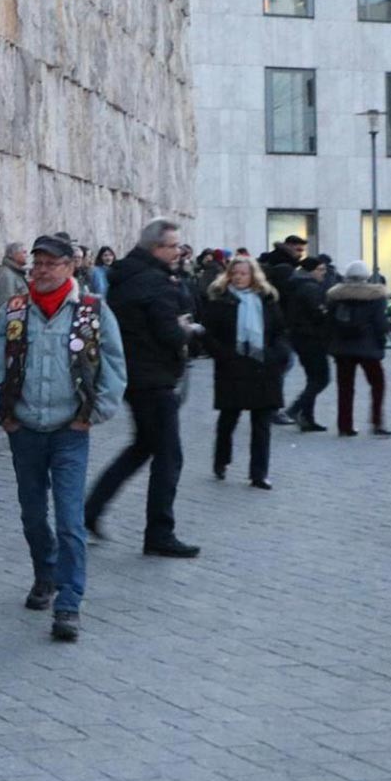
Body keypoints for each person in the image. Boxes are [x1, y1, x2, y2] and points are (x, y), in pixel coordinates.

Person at [0, 234, 127, 642]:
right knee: (32, 515)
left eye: (51, 264)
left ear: (69, 267)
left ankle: (68, 603)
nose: (42, 270)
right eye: (37, 264)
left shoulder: (91, 310)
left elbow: (114, 365)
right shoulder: (15, 311)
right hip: (25, 428)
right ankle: (44, 573)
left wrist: (94, 414)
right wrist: (1, 414)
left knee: (69, 519)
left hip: (69, 429)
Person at [83, 219, 200, 556]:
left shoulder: (125, 276)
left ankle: (90, 510)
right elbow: (169, 333)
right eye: (173, 245)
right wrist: (186, 330)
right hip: (155, 380)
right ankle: (159, 533)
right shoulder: (156, 283)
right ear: (156, 248)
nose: (178, 251)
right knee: (168, 457)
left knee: (143, 447)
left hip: (134, 377)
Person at [201, 255, 288, 491]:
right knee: (229, 418)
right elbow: (208, 335)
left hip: (263, 365)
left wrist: (276, 354)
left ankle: (259, 473)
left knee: (262, 422)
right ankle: (221, 460)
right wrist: (225, 356)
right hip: (233, 366)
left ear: (253, 276)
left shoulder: (267, 299)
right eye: (235, 274)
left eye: (244, 273)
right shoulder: (220, 300)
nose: (239, 278)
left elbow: (280, 331)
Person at [327, 260, 391, 437]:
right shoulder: (376, 296)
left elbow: (329, 322)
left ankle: (344, 425)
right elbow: (380, 324)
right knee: (378, 384)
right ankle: (377, 421)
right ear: (367, 276)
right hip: (368, 347)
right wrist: (381, 341)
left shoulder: (335, 295)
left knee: (345, 388)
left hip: (343, 348)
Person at [278, 257, 333, 432]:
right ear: (310, 271)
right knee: (321, 379)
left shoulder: (296, 284)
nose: (323, 274)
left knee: (313, 378)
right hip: (312, 338)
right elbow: (319, 314)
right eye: (320, 270)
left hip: (299, 338)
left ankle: (307, 418)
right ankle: (296, 409)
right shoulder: (310, 288)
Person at [0, 241, 30, 321]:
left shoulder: (17, 273)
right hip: (13, 324)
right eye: (24, 252)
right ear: (14, 255)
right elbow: (5, 305)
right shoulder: (6, 274)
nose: (27, 256)